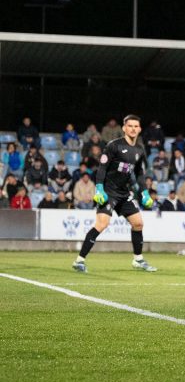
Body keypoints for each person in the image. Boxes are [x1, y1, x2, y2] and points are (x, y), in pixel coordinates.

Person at [71, 115, 157, 274]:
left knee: (138, 223)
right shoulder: (114, 146)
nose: (132, 128)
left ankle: (138, 260)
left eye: (135, 126)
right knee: (102, 224)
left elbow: (139, 173)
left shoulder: (139, 149)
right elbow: (102, 168)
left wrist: (144, 192)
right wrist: (99, 189)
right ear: (124, 128)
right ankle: (79, 261)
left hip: (124, 193)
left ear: (139, 129)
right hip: (109, 192)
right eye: (129, 126)